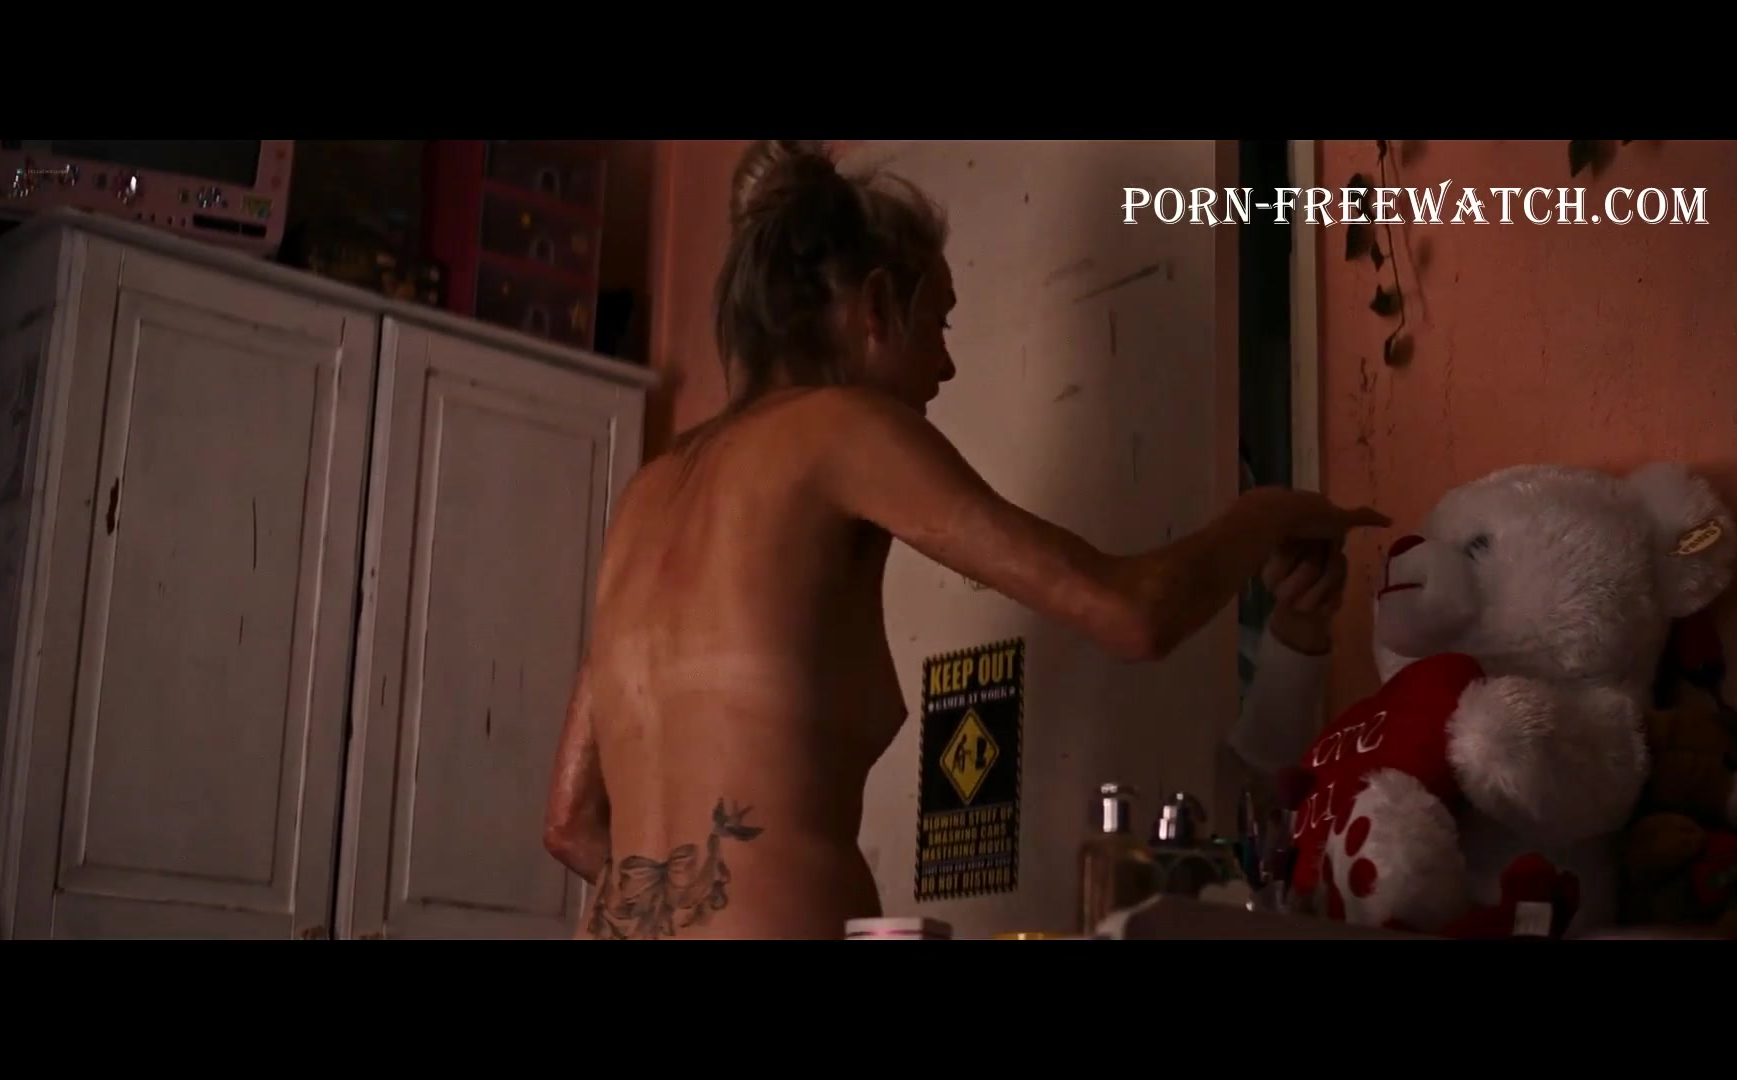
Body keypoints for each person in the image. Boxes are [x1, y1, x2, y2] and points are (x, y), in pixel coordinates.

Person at [541, 140, 1388, 940]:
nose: (945, 367)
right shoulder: (842, 426)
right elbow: (1133, 614)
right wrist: (1264, 515)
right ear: (876, 307)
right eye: (938, 323)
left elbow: (571, 823)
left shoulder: (645, 494)